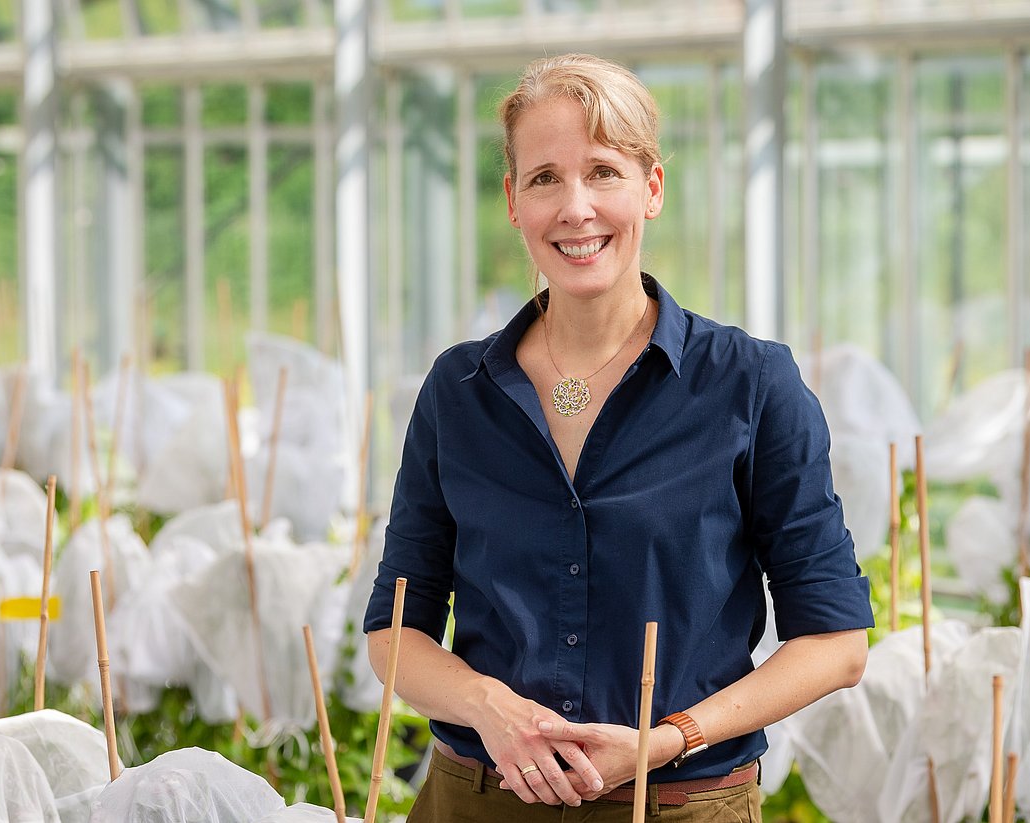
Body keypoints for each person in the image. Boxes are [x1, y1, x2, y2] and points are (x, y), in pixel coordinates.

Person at [364, 53, 872, 821]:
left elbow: (837, 643)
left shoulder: (749, 384)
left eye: (603, 171)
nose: (575, 208)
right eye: (544, 178)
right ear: (512, 200)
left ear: (652, 188)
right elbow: (395, 630)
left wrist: (668, 737)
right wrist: (489, 706)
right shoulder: (458, 392)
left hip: (676, 802)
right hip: (477, 800)